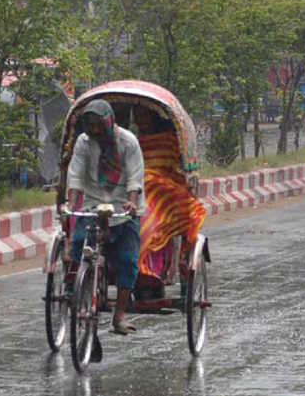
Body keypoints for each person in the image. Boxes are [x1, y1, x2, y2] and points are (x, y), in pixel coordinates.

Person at [62, 100, 145, 335]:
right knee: (79, 243)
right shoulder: (84, 143)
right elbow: (76, 174)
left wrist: (131, 200)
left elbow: (135, 176)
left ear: (109, 121)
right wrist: (71, 202)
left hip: (123, 205)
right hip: (93, 202)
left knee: (127, 261)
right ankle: (77, 285)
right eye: (90, 125)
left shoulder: (128, 142)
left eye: (99, 124)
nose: (95, 130)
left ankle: (119, 316)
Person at [132, 105, 205, 288]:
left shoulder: (170, 140)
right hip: (136, 190)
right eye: (138, 115)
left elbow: (179, 168)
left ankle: (154, 269)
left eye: (145, 115)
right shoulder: (132, 142)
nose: (142, 120)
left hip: (164, 191)